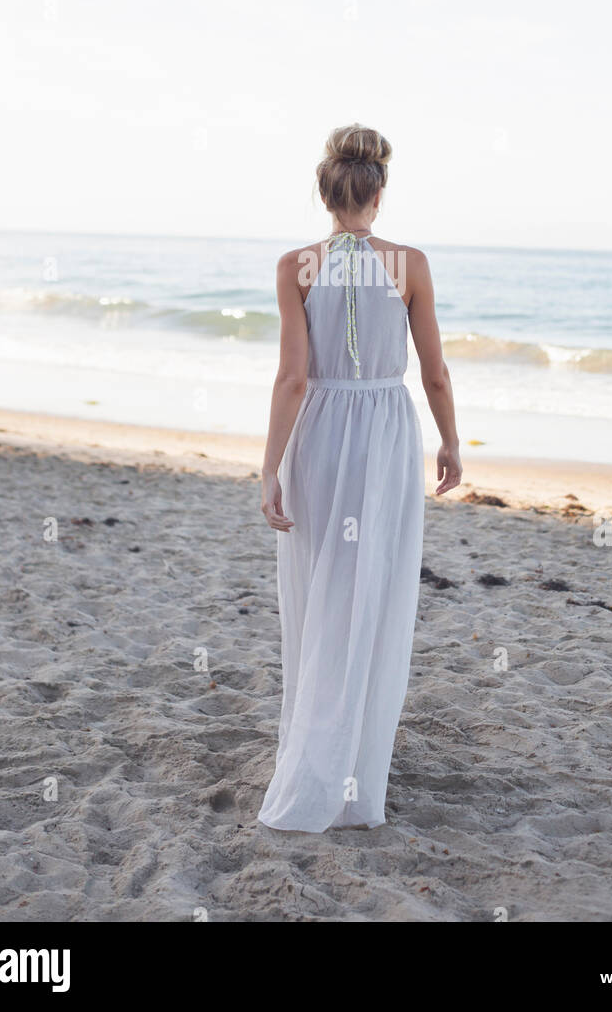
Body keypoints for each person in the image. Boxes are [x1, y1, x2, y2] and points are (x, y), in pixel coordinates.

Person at [258, 123, 462, 832]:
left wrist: (269, 468)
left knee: (319, 591)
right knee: (370, 588)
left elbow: (292, 378)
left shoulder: (296, 266)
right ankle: (351, 771)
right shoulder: (410, 265)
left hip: (319, 435)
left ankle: (317, 752)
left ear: (326, 194)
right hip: (384, 434)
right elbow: (433, 371)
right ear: (378, 194)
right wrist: (451, 442)